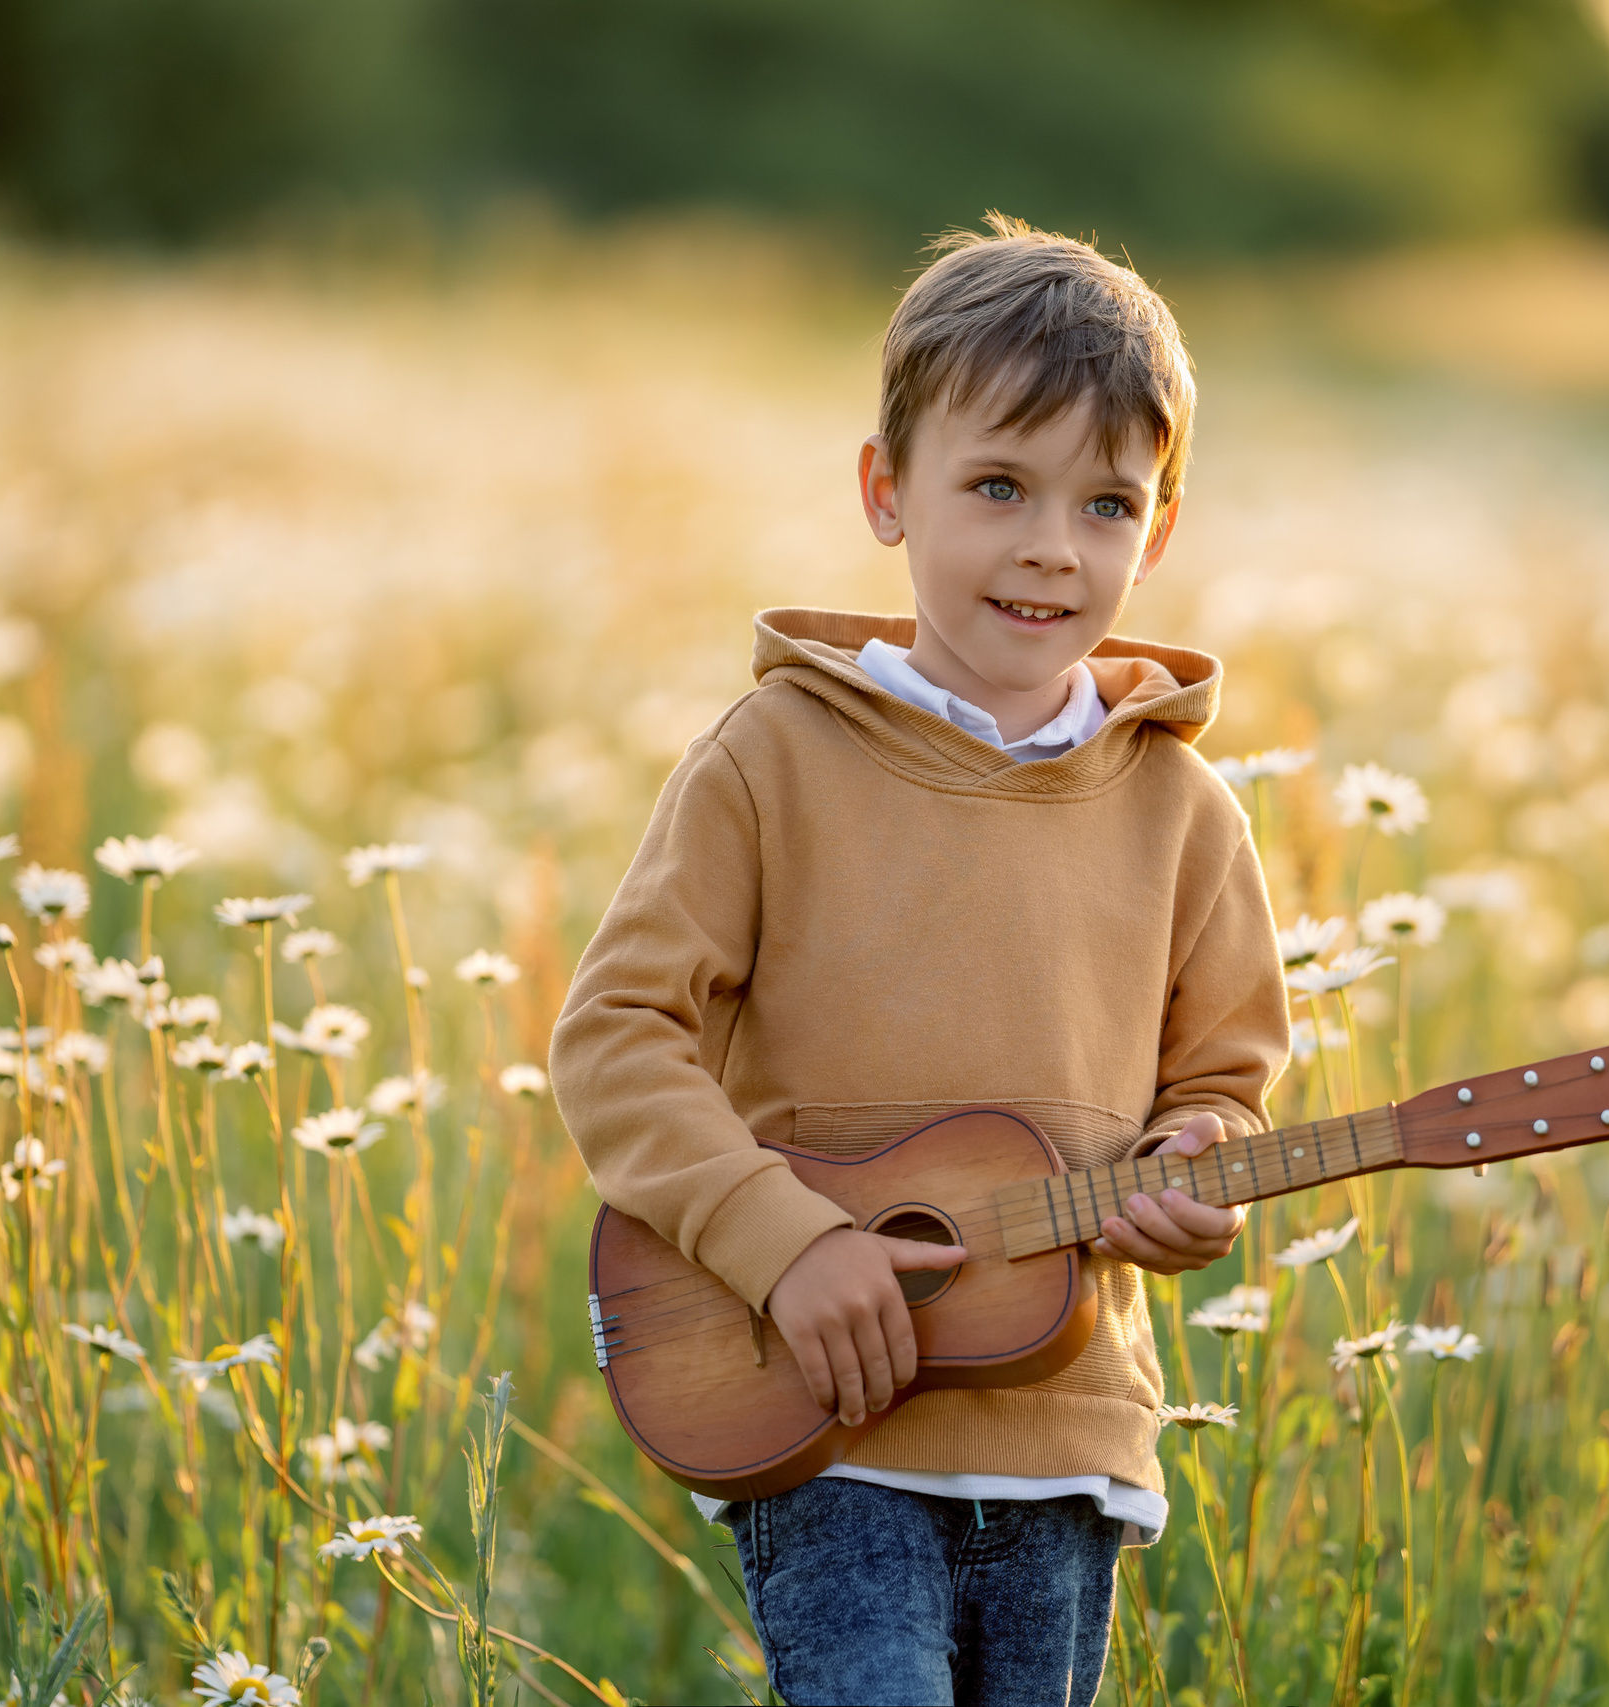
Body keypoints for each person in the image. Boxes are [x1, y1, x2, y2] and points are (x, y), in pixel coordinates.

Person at [549, 212, 1290, 1705]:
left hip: (1068, 1434)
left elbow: (1223, 1081)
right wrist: (790, 1243)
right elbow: (617, 1037)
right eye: (999, 486)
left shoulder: (1185, 814)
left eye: (1104, 505)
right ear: (889, 493)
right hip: (829, 1410)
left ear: (1156, 533)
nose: (1047, 545)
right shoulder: (776, 759)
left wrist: (1196, 1161)